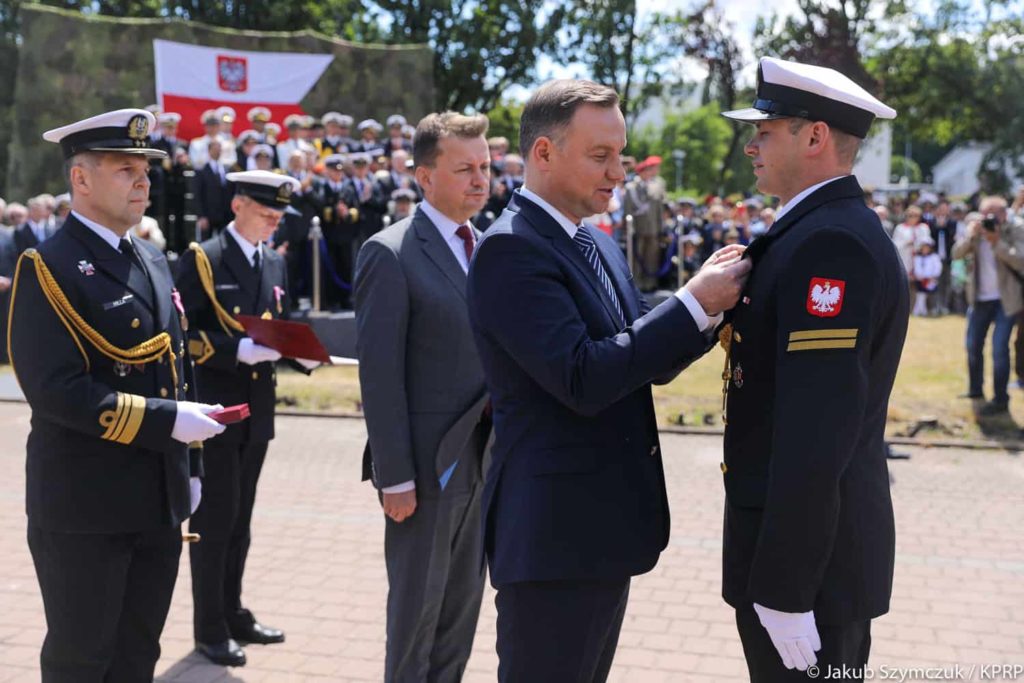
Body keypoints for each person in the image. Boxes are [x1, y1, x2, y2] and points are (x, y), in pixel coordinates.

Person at [466, 79, 749, 683]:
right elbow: (584, 376)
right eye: (601, 156)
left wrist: (705, 309)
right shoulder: (511, 250)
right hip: (554, 542)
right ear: (542, 154)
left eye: (620, 154)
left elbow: (644, 356)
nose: (618, 172)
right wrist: (693, 303)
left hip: (599, 531)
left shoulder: (594, 242)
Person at [8, 107, 225, 681]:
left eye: (145, 170)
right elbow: (56, 391)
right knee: (82, 660)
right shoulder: (48, 266)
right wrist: (166, 422)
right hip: (86, 505)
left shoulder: (152, 258)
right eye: (125, 169)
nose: (143, 181)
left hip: (158, 499)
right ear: (80, 179)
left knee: (138, 655)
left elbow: (177, 367)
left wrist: (192, 463)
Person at [718, 56, 907, 681]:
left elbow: (816, 431)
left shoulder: (832, 243)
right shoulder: (811, 229)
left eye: (766, 131)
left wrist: (786, 587)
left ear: (816, 137)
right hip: (804, 556)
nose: (751, 145)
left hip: (809, 574)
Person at [355, 111, 494, 683]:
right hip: (425, 471)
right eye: (464, 168)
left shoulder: (487, 247)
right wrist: (395, 476)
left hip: (485, 460)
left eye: (485, 166)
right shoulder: (390, 253)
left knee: (460, 616)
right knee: (416, 619)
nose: (480, 179)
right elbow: (379, 375)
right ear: (424, 177)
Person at [174, 170, 319, 667]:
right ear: (238, 205)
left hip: (257, 411)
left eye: (279, 217)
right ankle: (209, 628)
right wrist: (235, 350)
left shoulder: (272, 263)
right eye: (266, 213)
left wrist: (301, 352)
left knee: (241, 520)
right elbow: (180, 336)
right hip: (215, 411)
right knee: (214, 523)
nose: (273, 224)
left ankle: (233, 611)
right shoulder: (204, 259)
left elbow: (276, 326)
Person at [952, 196, 1024, 414]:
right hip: (980, 298)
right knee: (973, 345)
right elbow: (956, 254)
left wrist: (996, 242)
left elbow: (1021, 260)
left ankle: (1000, 399)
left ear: (1004, 214)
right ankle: (975, 390)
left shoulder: (1015, 229)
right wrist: (971, 237)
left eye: (994, 214)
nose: (989, 218)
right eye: (985, 214)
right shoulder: (976, 229)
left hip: (1006, 299)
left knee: (999, 348)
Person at [623, 155, 666, 291]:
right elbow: (628, 209)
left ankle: (650, 283)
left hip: (653, 228)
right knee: (637, 257)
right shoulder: (631, 188)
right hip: (638, 228)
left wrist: (661, 227)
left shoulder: (656, 186)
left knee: (651, 257)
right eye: (646, 171)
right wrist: (628, 229)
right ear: (640, 172)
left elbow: (659, 209)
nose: (649, 174)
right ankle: (637, 283)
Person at [912, 236, 942, 316]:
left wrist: (933, 277)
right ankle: (920, 310)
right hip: (920, 279)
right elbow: (916, 268)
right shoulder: (917, 257)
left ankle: (932, 309)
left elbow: (938, 268)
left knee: (930, 294)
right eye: (923, 247)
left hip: (931, 279)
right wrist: (919, 276)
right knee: (920, 294)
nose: (925, 249)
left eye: (927, 247)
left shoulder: (934, 257)